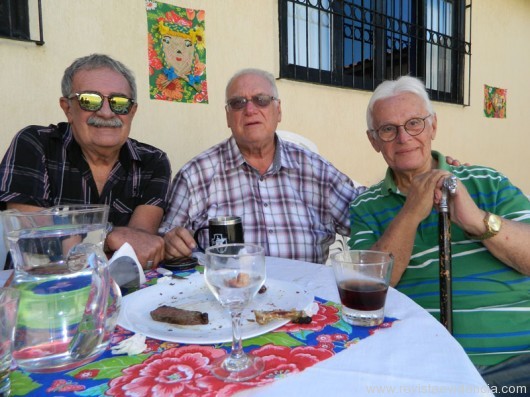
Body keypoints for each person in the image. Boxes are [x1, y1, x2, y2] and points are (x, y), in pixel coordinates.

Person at [348, 75, 530, 389]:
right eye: (388, 129)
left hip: (517, 361)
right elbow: (367, 294)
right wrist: (410, 212)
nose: (404, 138)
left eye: (415, 123)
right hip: (425, 370)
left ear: (433, 126)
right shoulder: (366, 207)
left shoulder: (487, 181)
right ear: (373, 140)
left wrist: (477, 221)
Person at [160, 68, 364, 264]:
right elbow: (164, 243)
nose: (250, 110)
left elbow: (367, 217)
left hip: (306, 297)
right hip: (228, 297)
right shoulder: (194, 176)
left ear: (279, 110)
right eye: (238, 103)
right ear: (228, 116)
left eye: (261, 100)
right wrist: (169, 245)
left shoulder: (317, 172)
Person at [0, 54, 171, 269]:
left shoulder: (153, 162)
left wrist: (72, 239)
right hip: (40, 294)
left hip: (120, 293)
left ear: (132, 112)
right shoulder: (35, 144)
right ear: (68, 108)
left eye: (119, 103)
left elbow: (136, 250)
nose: (107, 112)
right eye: (89, 100)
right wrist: (109, 237)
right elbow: (37, 248)